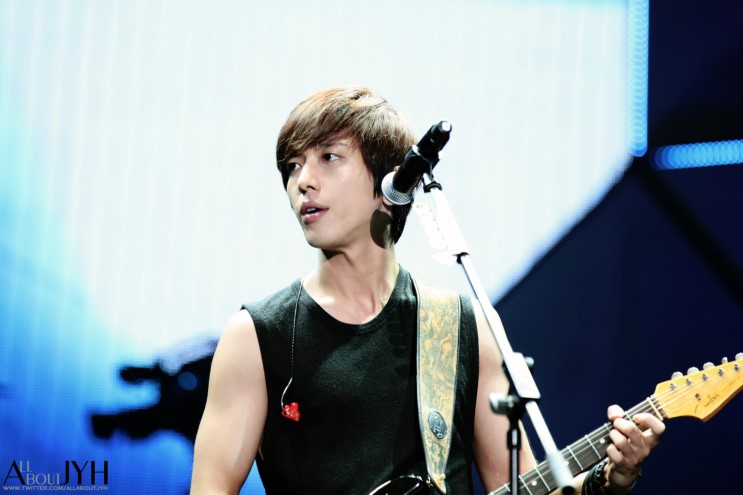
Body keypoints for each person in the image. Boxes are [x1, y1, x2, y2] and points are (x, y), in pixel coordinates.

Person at [190, 86, 664, 494]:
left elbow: (519, 485)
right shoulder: (257, 336)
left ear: (390, 182)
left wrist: (611, 479)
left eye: (328, 158)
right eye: (292, 167)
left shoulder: (462, 327)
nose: (303, 182)